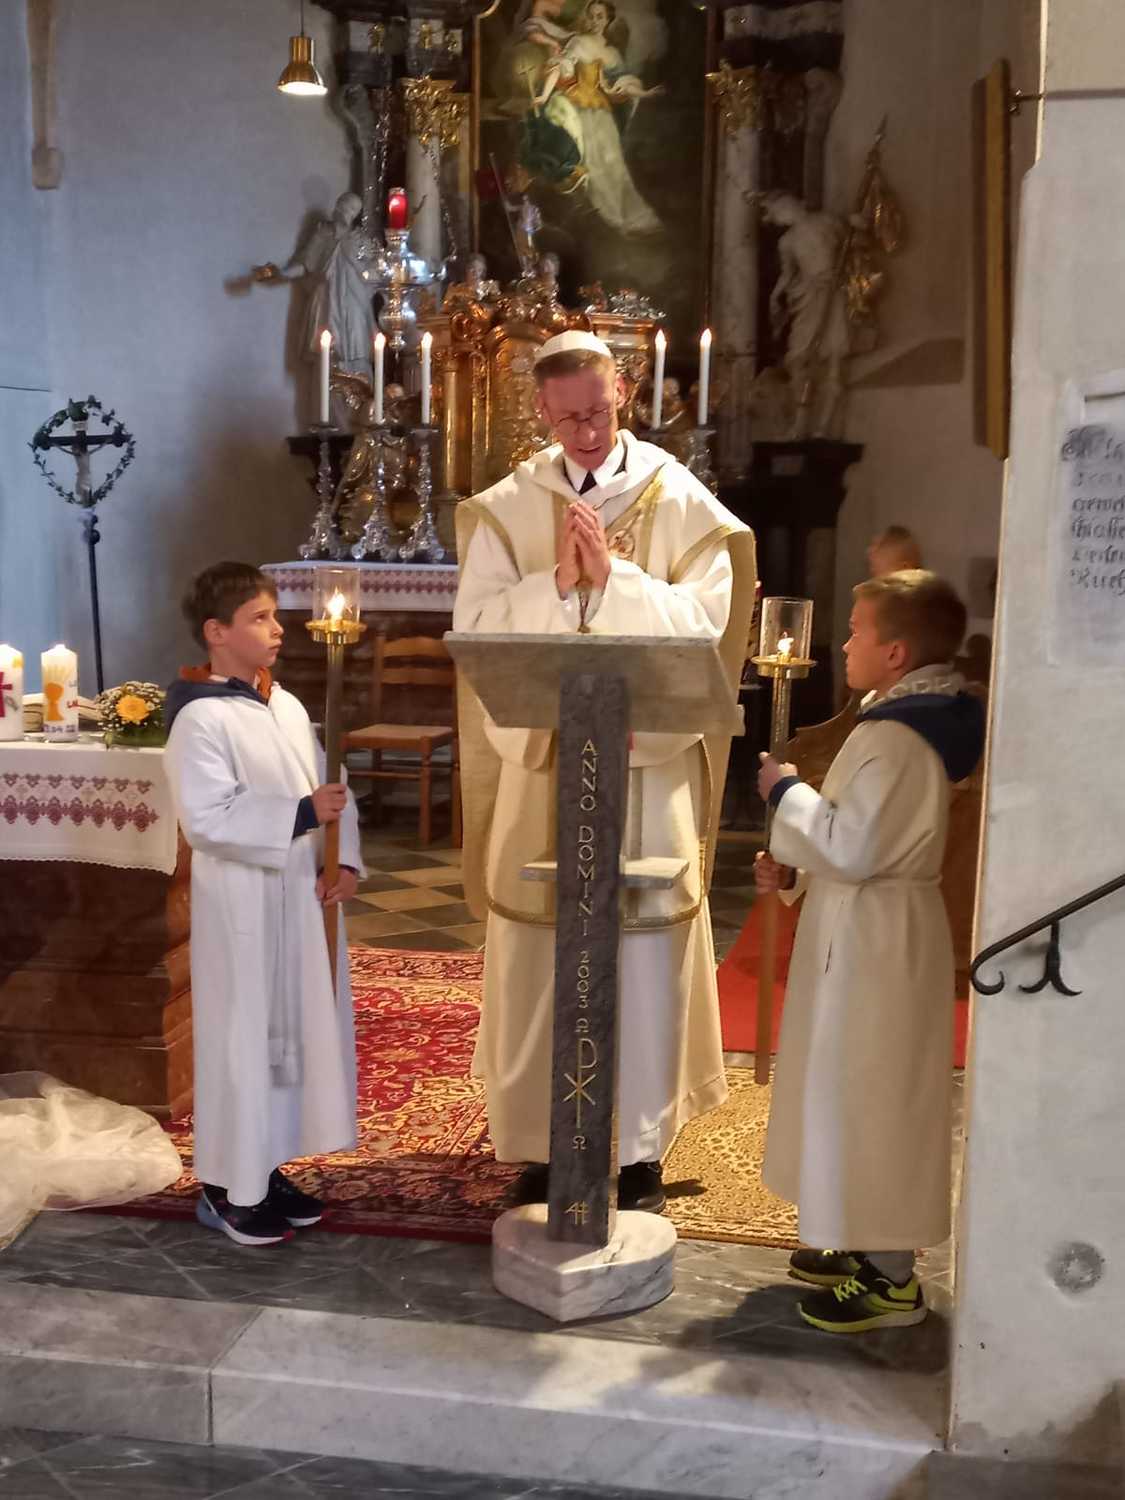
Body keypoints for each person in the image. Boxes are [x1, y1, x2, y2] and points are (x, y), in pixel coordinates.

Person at [454, 330, 756, 1212]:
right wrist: (555, 582)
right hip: (546, 758)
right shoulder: (509, 507)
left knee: (645, 950)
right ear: (540, 413)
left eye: (597, 411)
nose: (586, 433)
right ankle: (541, 1146)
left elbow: (708, 627)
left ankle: (639, 1151)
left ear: (621, 391)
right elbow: (477, 628)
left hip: (646, 760)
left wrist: (615, 577)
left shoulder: (680, 500)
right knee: (538, 949)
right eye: (566, 420)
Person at [755, 569, 985, 1331]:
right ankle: (859, 1241)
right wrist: (794, 872)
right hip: (870, 926)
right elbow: (865, 842)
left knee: (875, 1096)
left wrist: (785, 792)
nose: (844, 643)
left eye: (856, 631)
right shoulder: (900, 722)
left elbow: (852, 848)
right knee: (849, 1090)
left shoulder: (896, 734)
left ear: (894, 653)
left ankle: (891, 1280)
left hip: (877, 940)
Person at [163, 563, 363, 1246]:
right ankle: (225, 1187)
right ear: (216, 632)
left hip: (300, 900)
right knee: (244, 1038)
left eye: (276, 615)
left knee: (290, 1037)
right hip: (243, 908)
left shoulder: (286, 705)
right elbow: (207, 819)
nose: (278, 629)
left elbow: (331, 786)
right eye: (259, 617)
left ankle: (266, 1167)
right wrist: (302, 813)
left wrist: (343, 859)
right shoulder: (200, 718)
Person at [534, 0, 663, 237]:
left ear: (608, 20)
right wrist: (544, 94)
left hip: (601, 110)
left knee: (615, 164)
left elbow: (615, 86)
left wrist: (644, 93)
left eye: (599, 16)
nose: (594, 21)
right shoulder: (578, 42)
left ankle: (632, 218)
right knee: (594, 165)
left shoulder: (612, 53)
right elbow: (561, 67)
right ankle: (610, 216)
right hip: (578, 108)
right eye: (591, 16)